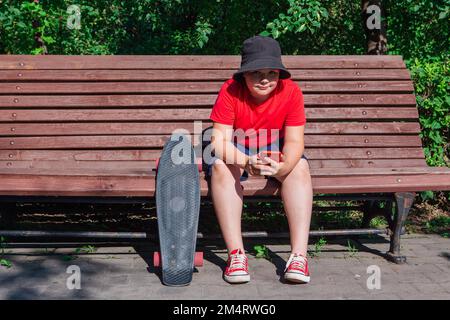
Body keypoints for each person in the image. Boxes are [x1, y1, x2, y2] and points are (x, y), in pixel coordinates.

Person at [206, 35, 313, 284]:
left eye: (272, 73)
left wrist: (284, 166)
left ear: (279, 73)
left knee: (300, 167)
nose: (265, 79)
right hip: (236, 144)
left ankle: (299, 256)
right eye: (256, 73)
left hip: (275, 146)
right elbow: (219, 141)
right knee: (221, 166)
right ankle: (236, 255)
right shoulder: (230, 90)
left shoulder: (292, 91)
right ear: (244, 74)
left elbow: (296, 142)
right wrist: (246, 162)